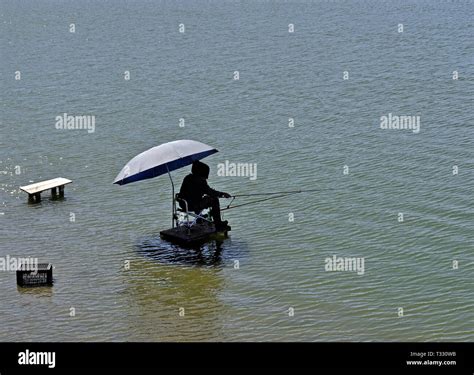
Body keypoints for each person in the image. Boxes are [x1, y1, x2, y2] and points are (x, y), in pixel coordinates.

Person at [178, 160, 231, 231]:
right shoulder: (200, 182)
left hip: (183, 204)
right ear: (200, 174)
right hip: (192, 205)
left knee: (200, 198)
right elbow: (210, 192)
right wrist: (223, 194)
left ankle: (199, 219)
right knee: (214, 200)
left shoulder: (188, 178)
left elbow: (204, 191)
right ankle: (218, 224)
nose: (206, 178)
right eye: (205, 176)